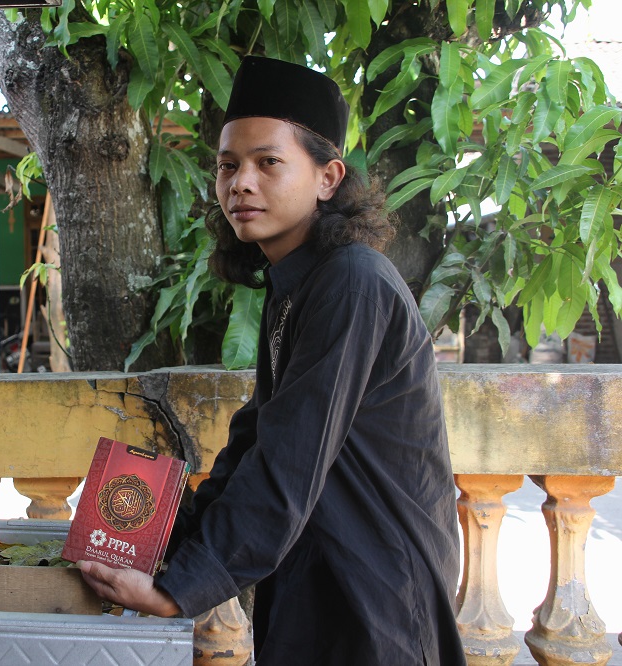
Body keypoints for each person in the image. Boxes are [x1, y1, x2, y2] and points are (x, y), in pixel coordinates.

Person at [79, 56, 465, 664]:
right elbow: (258, 436)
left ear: (328, 177)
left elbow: (288, 461)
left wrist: (179, 589)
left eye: (268, 162)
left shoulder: (352, 284)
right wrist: (165, 546)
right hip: (322, 575)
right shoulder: (295, 283)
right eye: (227, 166)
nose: (241, 183)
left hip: (377, 591)